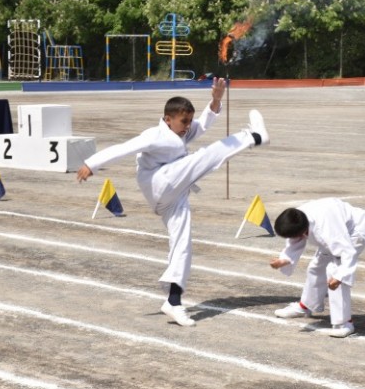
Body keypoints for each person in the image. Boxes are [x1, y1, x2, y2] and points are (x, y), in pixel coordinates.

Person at [76, 77, 269, 326]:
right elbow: (124, 147)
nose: (188, 126)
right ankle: (253, 136)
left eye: (189, 121)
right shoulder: (154, 135)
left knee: (182, 243)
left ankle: (173, 302)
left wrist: (216, 99)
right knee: (204, 156)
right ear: (168, 119)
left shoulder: (181, 132)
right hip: (159, 183)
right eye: (183, 121)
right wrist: (91, 164)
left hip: (171, 196)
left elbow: (204, 124)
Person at [270, 198, 365, 338]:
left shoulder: (328, 228)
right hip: (337, 225)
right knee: (316, 267)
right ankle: (306, 306)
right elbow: (295, 240)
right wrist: (284, 259)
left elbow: (348, 253)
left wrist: (340, 277)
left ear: (303, 231)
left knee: (334, 272)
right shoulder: (296, 217)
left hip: (354, 231)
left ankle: (344, 323)